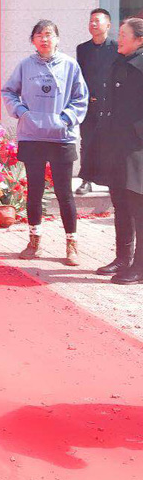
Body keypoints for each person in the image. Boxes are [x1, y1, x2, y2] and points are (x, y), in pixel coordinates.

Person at [2, 20, 89, 266]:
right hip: (32, 136)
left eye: (49, 34)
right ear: (33, 40)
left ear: (57, 39)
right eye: (39, 35)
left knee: (64, 193)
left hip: (62, 137)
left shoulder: (70, 65)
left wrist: (66, 119)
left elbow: (81, 97)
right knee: (35, 191)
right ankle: (34, 241)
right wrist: (22, 112)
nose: (44, 39)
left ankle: (71, 244)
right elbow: (9, 92)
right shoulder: (25, 65)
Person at [97, 17, 143, 283]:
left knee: (138, 207)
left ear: (139, 39)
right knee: (120, 203)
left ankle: (140, 266)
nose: (119, 38)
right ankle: (123, 258)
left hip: (137, 149)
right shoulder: (119, 63)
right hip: (116, 145)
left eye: (124, 35)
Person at [75, 8, 118, 195]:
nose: (93, 24)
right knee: (87, 141)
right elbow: (81, 77)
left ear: (108, 25)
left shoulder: (116, 47)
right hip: (89, 104)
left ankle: (111, 180)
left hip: (111, 104)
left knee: (111, 142)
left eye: (97, 21)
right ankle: (86, 179)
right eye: (91, 21)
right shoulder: (83, 49)